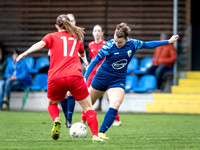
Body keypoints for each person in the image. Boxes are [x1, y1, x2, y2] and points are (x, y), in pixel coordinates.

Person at [16, 14, 105, 143]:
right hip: (75, 76)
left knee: (52, 104)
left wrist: (25, 53)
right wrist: (85, 60)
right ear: (69, 25)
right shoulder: (76, 37)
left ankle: (56, 119)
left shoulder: (51, 36)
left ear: (57, 26)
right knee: (88, 108)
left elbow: (40, 44)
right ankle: (96, 135)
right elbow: (82, 51)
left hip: (56, 77)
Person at [84, 23, 179, 139]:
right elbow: (94, 62)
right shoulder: (108, 46)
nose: (117, 44)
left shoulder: (133, 44)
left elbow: (148, 44)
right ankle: (78, 125)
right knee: (87, 104)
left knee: (115, 104)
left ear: (126, 39)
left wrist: (168, 42)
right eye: (115, 41)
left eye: (120, 42)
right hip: (101, 77)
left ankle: (100, 133)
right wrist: (85, 77)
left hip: (117, 80)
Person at [81, 24, 122, 126]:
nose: (97, 33)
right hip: (92, 74)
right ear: (93, 33)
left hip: (104, 73)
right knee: (87, 96)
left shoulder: (106, 44)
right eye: (95, 31)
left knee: (109, 97)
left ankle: (117, 120)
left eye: (99, 31)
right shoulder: (90, 45)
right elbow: (93, 59)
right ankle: (83, 120)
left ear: (102, 33)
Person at [59, 13, 86, 128]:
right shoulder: (59, 35)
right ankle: (67, 119)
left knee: (70, 93)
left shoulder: (77, 36)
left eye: (72, 20)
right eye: (68, 20)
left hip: (73, 67)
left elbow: (80, 51)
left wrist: (85, 61)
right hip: (60, 67)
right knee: (62, 95)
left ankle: (69, 120)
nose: (71, 22)